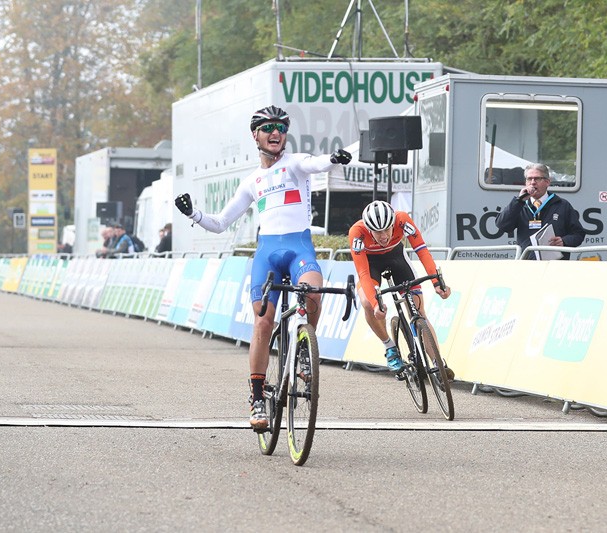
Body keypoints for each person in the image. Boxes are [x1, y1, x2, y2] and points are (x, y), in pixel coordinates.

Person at [174, 105, 351, 429]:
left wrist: (334, 159)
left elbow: (316, 163)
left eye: (281, 128)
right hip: (267, 254)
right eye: (268, 127)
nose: (275, 132)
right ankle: (257, 396)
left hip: (299, 247)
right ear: (255, 135)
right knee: (262, 322)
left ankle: (302, 356)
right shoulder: (252, 181)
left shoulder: (295, 163)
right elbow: (220, 222)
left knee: (313, 293)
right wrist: (192, 214)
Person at [349, 200, 451, 374]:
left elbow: (422, 250)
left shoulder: (402, 220)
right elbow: (363, 273)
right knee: (366, 302)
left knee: (418, 312)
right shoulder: (357, 233)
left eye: (387, 229)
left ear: (393, 224)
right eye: (377, 231)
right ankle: (390, 347)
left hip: (396, 258)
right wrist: (375, 304)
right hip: (370, 264)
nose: (383, 236)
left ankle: (438, 365)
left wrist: (437, 283)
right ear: (368, 229)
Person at [495, 163, 585, 260]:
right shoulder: (520, 205)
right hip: (527, 265)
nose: (532, 182)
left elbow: (579, 234)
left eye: (537, 179)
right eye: (529, 179)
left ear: (547, 182)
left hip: (555, 266)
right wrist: (518, 200)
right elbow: (502, 225)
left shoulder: (562, 205)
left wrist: (564, 241)